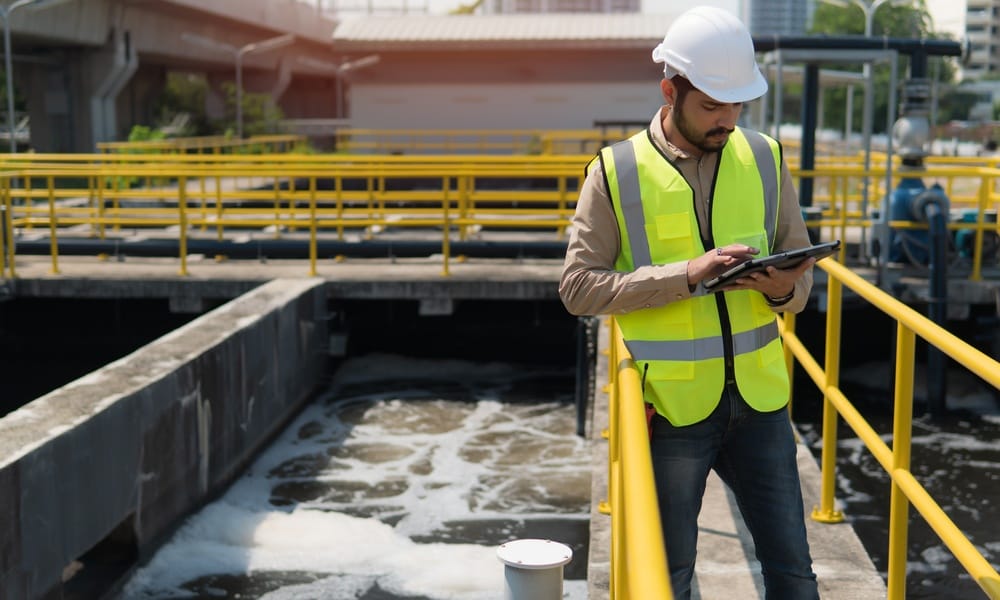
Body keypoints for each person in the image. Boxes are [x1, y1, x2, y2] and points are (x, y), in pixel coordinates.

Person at [558, 6, 820, 599]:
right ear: (669, 90)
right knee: (667, 578)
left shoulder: (767, 158)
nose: (727, 121)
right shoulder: (616, 171)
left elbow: (800, 277)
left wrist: (782, 288)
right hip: (673, 409)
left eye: (736, 106)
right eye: (710, 106)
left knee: (795, 574)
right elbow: (578, 289)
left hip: (761, 402)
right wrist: (687, 275)